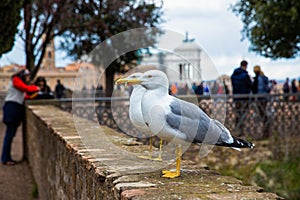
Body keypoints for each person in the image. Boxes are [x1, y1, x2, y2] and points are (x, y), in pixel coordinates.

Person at [1, 69, 39, 165]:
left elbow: (24, 96)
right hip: (12, 108)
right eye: (27, 76)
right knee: (9, 135)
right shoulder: (16, 79)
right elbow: (26, 88)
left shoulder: (18, 82)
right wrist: (36, 88)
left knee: (11, 134)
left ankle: (6, 157)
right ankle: (5, 158)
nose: (28, 78)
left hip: (15, 108)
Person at [231, 60, 253, 135]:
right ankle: (242, 129)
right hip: (244, 97)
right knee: (243, 113)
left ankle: (237, 128)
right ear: (246, 66)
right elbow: (250, 85)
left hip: (236, 97)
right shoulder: (245, 75)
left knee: (238, 113)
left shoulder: (234, 75)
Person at [252, 65, 270, 137]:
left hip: (260, 98)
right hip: (265, 97)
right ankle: (266, 129)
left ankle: (265, 130)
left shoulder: (258, 78)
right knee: (263, 113)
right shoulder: (264, 78)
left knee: (262, 113)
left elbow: (257, 89)